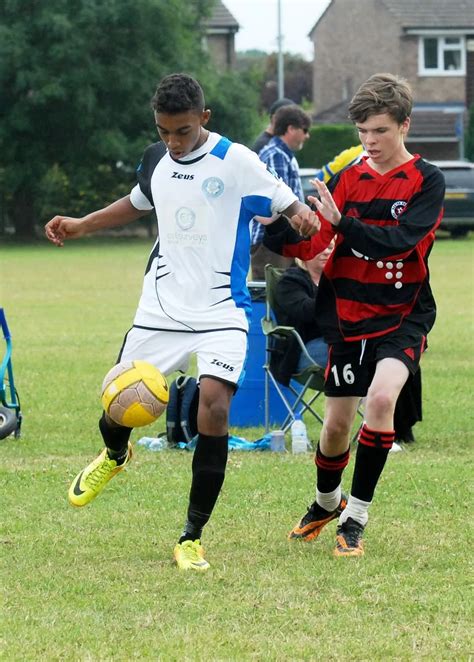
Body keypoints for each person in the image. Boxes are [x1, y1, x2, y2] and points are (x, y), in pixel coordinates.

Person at [44, 73, 318, 572]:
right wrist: (82, 224)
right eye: (164, 131)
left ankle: (191, 536)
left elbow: (283, 198)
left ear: (204, 119)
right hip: (161, 308)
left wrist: (302, 215)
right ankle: (115, 454)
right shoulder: (155, 158)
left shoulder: (236, 161)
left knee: (212, 410)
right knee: (116, 405)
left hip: (222, 310)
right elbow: (138, 201)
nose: (173, 142)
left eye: (183, 132)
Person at [263, 72, 445, 557]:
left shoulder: (427, 181)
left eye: (380, 131)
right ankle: (326, 503)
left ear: (404, 126)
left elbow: (402, 240)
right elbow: (314, 240)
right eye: (363, 133)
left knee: (382, 401)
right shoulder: (347, 178)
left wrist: (346, 222)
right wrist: (279, 229)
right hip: (347, 317)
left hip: (402, 315)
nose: (370, 142)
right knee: (336, 426)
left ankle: (355, 518)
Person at [250, 104, 312, 280]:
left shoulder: (281, 154)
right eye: (304, 129)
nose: (307, 135)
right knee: (271, 297)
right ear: (291, 129)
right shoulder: (275, 155)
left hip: (280, 240)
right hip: (271, 242)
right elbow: (278, 204)